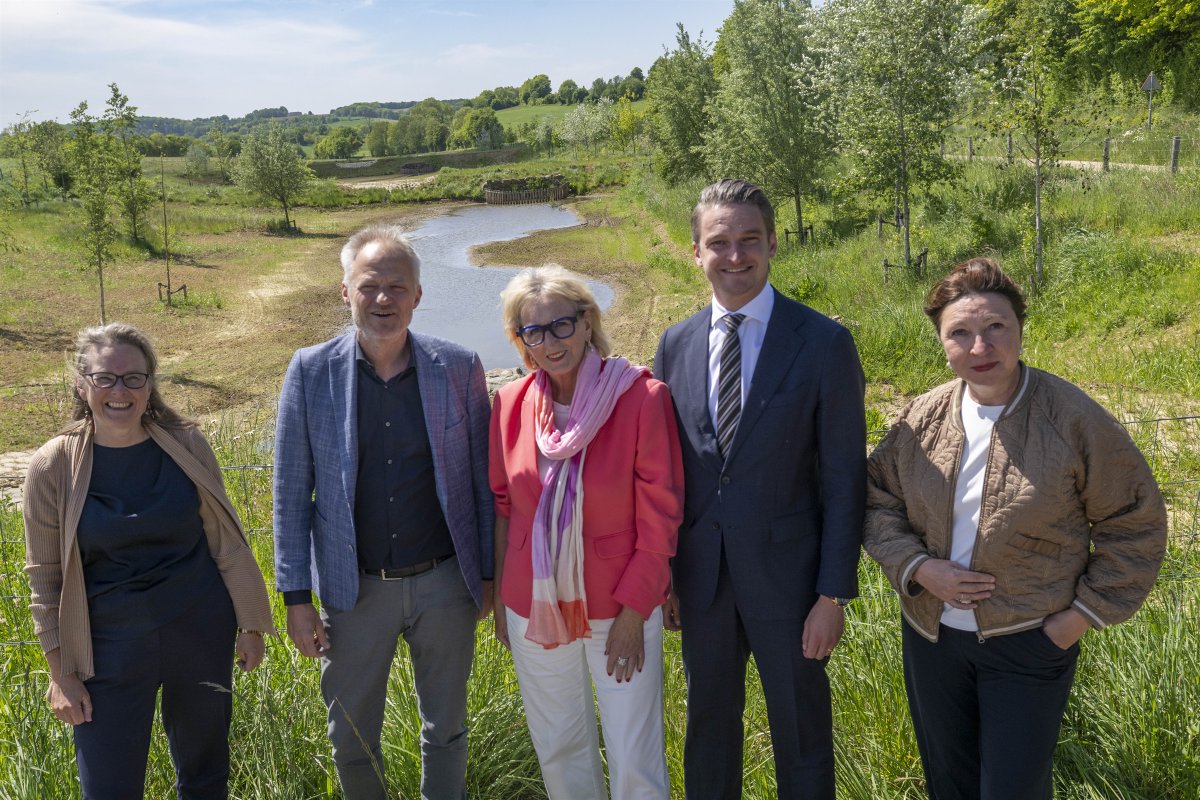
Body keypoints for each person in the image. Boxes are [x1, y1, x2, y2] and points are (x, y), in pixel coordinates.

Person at [863, 257, 1168, 800]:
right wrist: (918, 567)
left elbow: (1135, 522)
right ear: (941, 341)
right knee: (949, 786)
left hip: (1030, 640)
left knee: (1013, 789)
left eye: (995, 327)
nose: (979, 348)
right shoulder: (922, 418)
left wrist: (1076, 619)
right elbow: (874, 495)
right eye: (960, 333)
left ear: (1021, 327)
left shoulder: (1073, 419)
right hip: (932, 639)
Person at [652, 179, 867, 799]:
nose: (736, 256)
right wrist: (667, 575)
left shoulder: (823, 341)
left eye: (750, 240)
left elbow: (846, 478)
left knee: (801, 734)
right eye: (719, 242)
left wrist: (833, 594)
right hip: (703, 584)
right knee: (708, 731)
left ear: (773, 243)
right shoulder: (676, 343)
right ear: (695, 251)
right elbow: (671, 471)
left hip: (792, 585)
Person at [273, 224, 493, 800]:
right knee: (350, 739)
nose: (383, 299)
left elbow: (481, 481)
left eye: (398, 286)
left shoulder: (460, 367)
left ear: (418, 296)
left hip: (446, 585)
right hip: (353, 592)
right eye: (370, 285)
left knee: (445, 731)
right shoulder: (309, 371)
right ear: (345, 291)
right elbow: (291, 493)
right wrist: (296, 598)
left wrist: (489, 575)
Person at [22, 322, 275, 799]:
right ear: (82, 384)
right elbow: (44, 580)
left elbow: (226, 540)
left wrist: (251, 624)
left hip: (199, 631)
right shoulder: (52, 466)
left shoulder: (186, 444)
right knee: (108, 787)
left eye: (133, 378)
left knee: (205, 778)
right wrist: (61, 674)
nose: (120, 390)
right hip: (106, 651)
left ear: (150, 383)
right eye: (105, 378)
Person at [489, 265, 684, 800]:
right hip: (534, 605)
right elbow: (505, 509)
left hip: (618, 605)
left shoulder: (641, 398)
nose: (551, 341)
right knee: (559, 746)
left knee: (633, 752)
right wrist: (507, 604)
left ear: (587, 321)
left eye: (561, 325)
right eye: (534, 330)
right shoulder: (510, 407)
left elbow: (661, 517)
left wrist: (633, 613)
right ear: (520, 340)